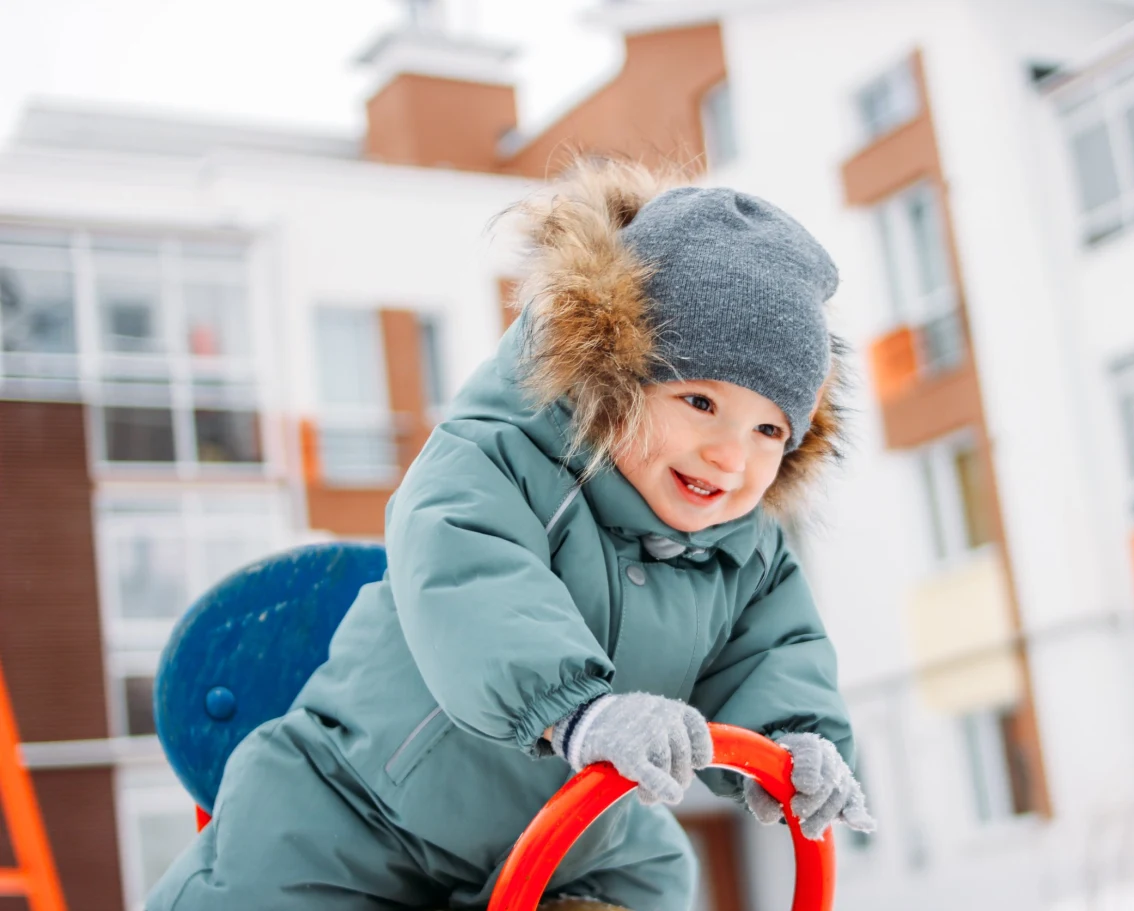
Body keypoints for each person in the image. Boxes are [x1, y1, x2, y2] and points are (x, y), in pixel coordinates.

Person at [148, 159, 874, 911]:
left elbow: (774, 651)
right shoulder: (502, 460)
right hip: (364, 808)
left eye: (768, 429)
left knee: (657, 877)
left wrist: (798, 743)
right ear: (614, 377)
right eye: (698, 400)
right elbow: (471, 574)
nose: (731, 455)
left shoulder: (743, 547)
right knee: (260, 882)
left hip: (566, 842)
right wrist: (577, 709)